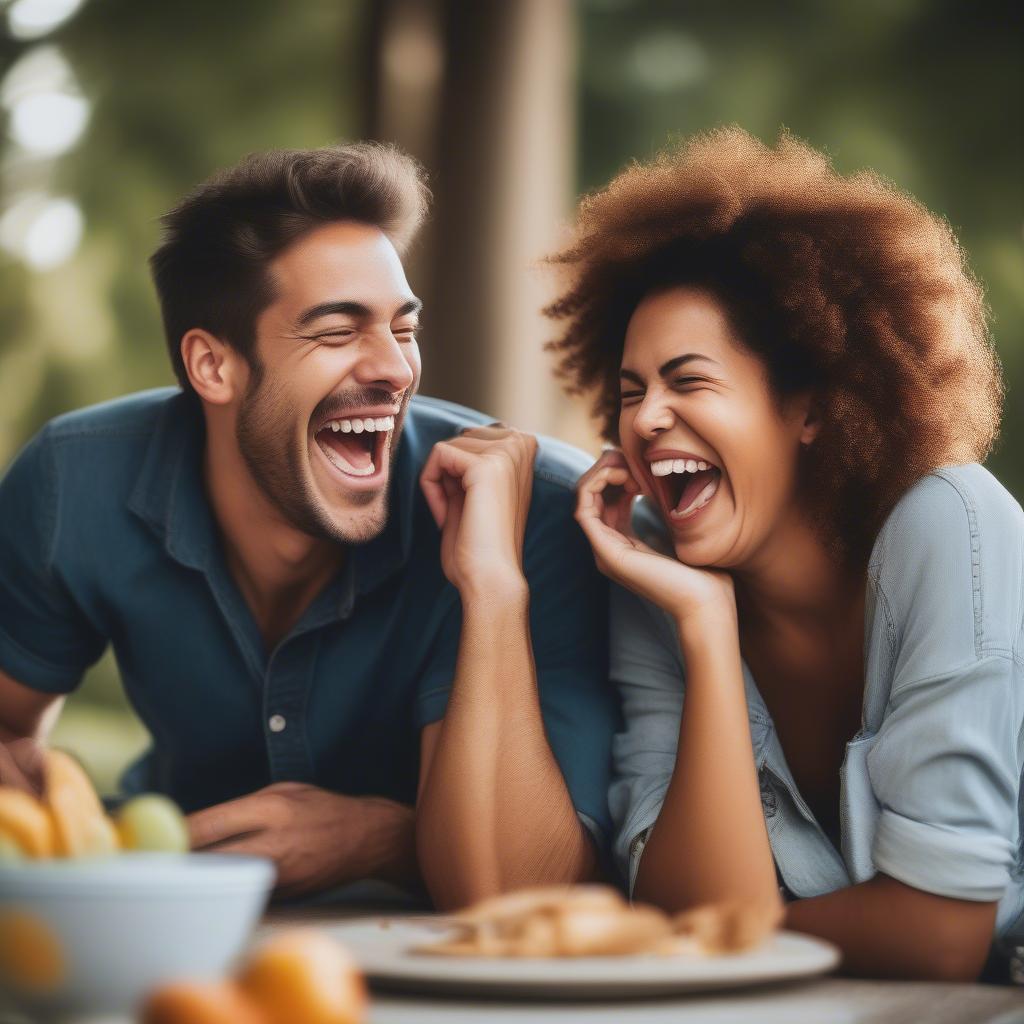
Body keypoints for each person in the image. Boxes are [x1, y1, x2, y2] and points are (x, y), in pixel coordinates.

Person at [0, 143, 618, 907]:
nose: (395, 368)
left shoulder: (535, 510)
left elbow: (522, 889)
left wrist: (385, 836)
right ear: (213, 367)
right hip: (171, 931)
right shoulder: (74, 481)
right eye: (337, 330)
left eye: (404, 328)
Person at [547, 127, 1023, 980]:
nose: (646, 418)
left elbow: (944, 933)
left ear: (809, 407)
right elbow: (693, 910)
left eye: (688, 381)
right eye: (630, 392)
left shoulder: (949, 524)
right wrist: (703, 622)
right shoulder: (657, 574)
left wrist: (748, 925)